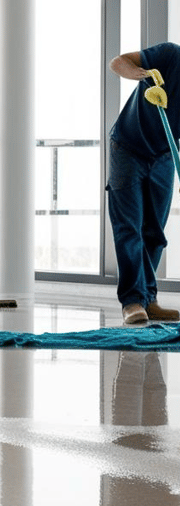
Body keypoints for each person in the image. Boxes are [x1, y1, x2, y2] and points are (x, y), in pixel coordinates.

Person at [108, 44, 180, 325]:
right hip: (128, 148)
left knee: (155, 232)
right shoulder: (170, 56)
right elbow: (118, 61)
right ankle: (132, 301)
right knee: (129, 228)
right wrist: (143, 74)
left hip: (164, 155)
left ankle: (149, 299)